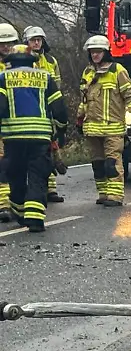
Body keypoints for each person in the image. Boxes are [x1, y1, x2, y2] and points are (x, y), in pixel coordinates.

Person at [0, 45, 68, 232]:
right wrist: (61, 130)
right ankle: (36, 219)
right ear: (32, 60)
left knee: (16, 174)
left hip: (13, 137)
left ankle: (21, 212)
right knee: (38, 175)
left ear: (10, 60)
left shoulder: (3, 78)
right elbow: (59, 108)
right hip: (40, 137)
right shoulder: (45, 77)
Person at [77, 35, 131, 207]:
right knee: (98, 164)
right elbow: (84, 99)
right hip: (92, 128)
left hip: (113, 128)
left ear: (106, 52)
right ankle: (103, 193)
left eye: (98, 51)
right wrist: (79, 119)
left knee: (112, 163)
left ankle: (115, 196)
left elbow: (130, 95)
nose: (95, 55)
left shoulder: (117, 70)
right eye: (92, 52)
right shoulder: (88, 72)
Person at [23, 26, 65, 203]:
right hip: (30, 110)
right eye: (33, 40)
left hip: (47, 109)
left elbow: (57, 84)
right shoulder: (22, 60)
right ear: (27, 42)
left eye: (39, 40)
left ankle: (51, 189)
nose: (37, 43)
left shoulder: (50, 61)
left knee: (50, 147)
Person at [0, 24, 20, 223]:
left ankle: (14, 203)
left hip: (17, 124)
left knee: (15, 165)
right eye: (2, 44)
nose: (6, 47)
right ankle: (4, 205)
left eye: (9, 43)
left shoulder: (21, 66)